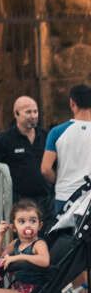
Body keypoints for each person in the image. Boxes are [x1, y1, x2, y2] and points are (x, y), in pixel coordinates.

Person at [0, 96, 50, 213]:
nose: (33, 116)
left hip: (45, 202)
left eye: (35, 111)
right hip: (18, 203)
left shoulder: (46, 136)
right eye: (28, 112)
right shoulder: (2, 140)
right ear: (16, 114)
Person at [41, 84, 91, 217]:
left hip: (65, 196)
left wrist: (59, 180)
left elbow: (45, 169)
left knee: (64, 237)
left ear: (72, 103)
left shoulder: (57, 132)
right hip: (89, 198)